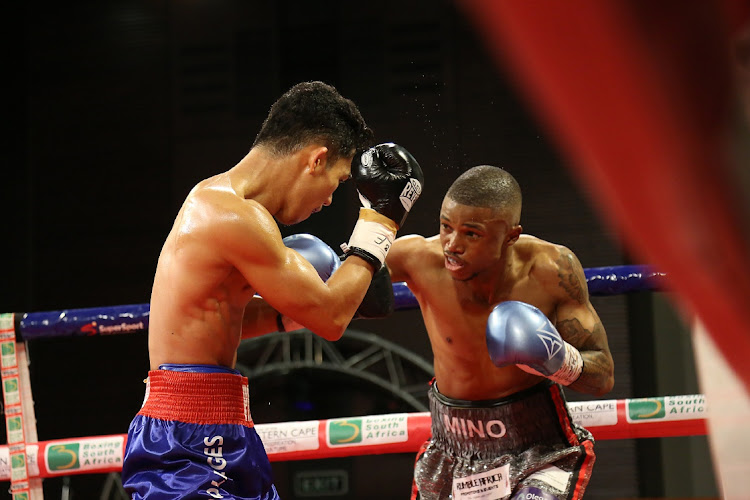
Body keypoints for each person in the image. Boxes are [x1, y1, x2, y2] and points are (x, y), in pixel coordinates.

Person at [121, 81, 424, 499]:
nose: (330, 200)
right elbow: (332, 318)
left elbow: (220, 320)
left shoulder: (222, 205)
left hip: (219, 426)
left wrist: (289, 312)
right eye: (337, 182)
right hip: (186, 438)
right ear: (316, 159)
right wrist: (381, 223)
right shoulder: (232, 216)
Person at [385, 165, 613, 500]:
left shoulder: (551, 270)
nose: (452, 244)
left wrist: (558, 358)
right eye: (445, 227)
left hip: (537, 446)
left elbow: (603, 374)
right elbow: (333, 284)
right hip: (453, 446)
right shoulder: (417, 258)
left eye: (471, 234)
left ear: (511, 236)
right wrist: (373, 219)